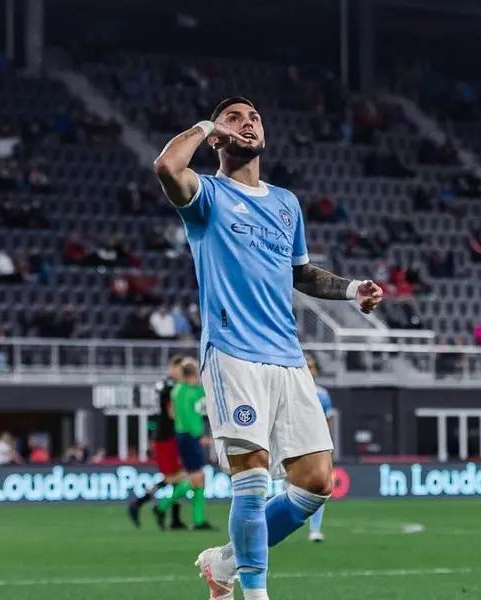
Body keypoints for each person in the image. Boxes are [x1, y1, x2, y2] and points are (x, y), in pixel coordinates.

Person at [153, 96, 383, 600]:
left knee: (315, 481)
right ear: (217, 136)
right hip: (233, 351)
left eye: (255, 117)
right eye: (235, 118)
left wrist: (351, 291)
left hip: (287, 355)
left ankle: (227, 561)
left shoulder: (285, 203)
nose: (248, 123)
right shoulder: (207, 196)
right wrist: (204, 125)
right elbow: (168, 165)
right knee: (253, 477)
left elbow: (301, 273)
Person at [128, 356, 189, 530]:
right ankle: (140, 504)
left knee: (176, 479)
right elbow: (170, 411)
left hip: (172, 436)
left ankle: (174, 519)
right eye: (178, 367)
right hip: (166, 437)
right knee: (177, 477)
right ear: (172, 369)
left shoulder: (177, 387)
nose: (180, 371)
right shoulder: (168, 386)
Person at [154, 359, 212, 530]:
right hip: (188, 436)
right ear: (192, 376)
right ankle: (162, 506)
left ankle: (198, 520)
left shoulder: (186, 390)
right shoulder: (183, 392)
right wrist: (198, 435)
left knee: (199, 478)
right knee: (196, 478)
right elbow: (186, 416)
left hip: (187, 436)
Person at [304, 356, 333, 543]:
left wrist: (327, 443)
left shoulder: (322, 394)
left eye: (312, 367)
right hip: (291, 444)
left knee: (319, 488)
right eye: (306, 366)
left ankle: (315, 529)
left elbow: (328, 419)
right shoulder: (290, 391)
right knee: (289, 487)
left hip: (316, 444)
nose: (309, 370)